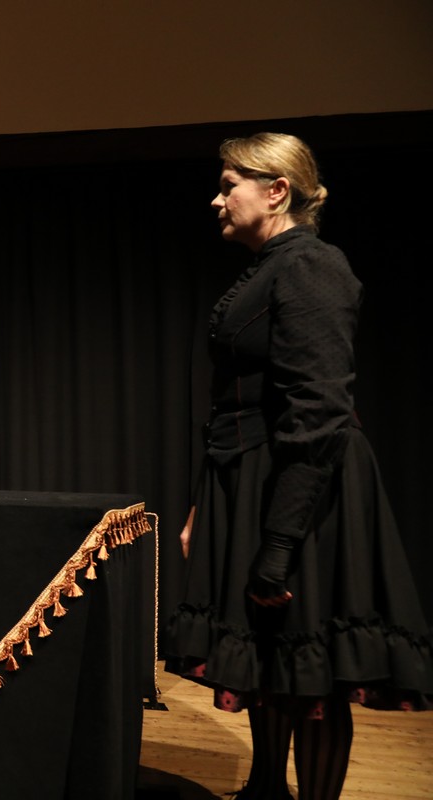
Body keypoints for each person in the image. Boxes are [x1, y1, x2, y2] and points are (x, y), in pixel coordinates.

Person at [164, 133, 432, 799]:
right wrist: (204, 504)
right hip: (253, 477)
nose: (217, 200)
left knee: (308, 665)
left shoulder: (312, 265)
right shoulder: (269, 268)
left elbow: (318, 408)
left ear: (277, 190)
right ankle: (265, 790)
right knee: (268, 657)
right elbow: (232, 403)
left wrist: (281, 540)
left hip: (301, 482)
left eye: (229, 186)